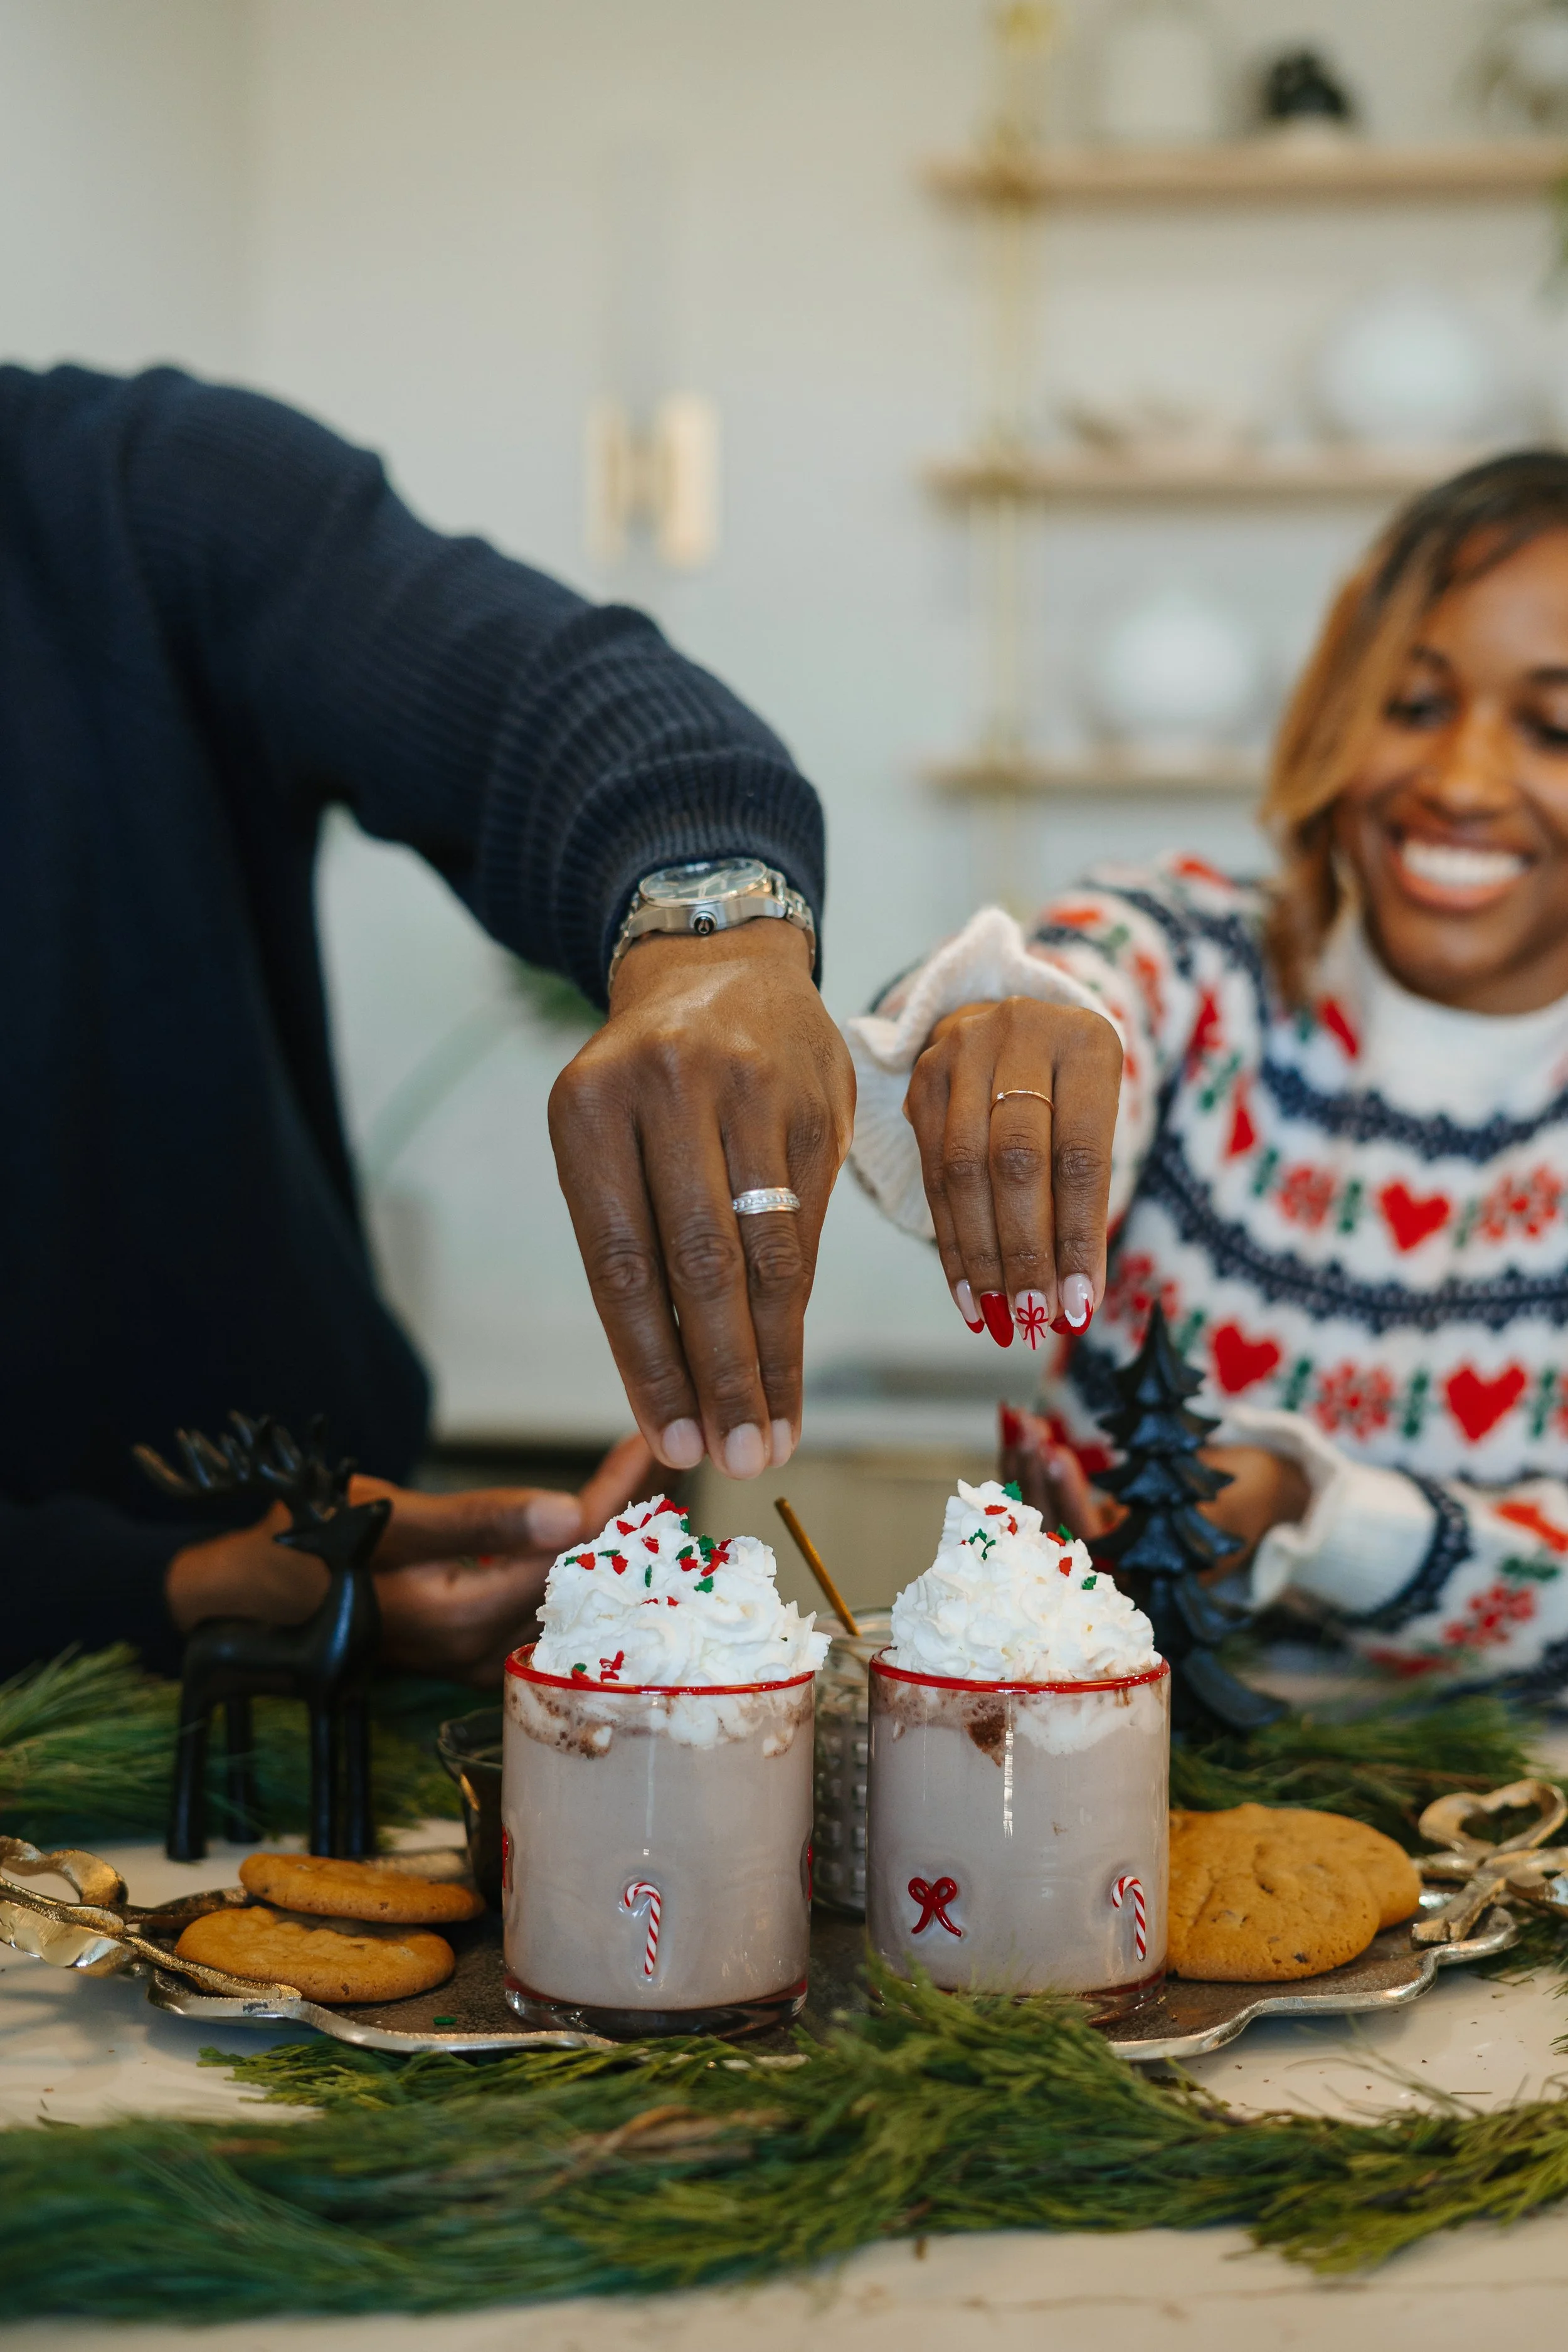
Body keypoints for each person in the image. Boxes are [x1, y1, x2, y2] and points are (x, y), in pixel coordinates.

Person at [0, 364, 853, 1683]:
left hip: (329, 1612)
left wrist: (706, 921)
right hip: (137, 1645)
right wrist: (157, 1588)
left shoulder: (127, 488)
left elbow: (535, 687)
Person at [847, 450, 1568, 1690]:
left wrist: (1307, 1507)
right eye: (1408, 704)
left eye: (1553, 728)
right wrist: (995, 1033)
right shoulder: (1190, 960)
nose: (1457, 781)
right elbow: (1071, 995)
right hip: (1106, 1781)